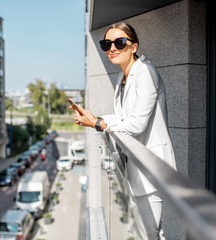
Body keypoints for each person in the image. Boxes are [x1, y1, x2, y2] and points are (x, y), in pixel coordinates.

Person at [71, 23, 176, 240]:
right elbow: (122, 118)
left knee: (151, 233)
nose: (112, 48)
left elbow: (137, 124)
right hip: (137, 168)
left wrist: (98, 125)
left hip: (151, 168)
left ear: (134, 46)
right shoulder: (123, 78)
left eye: (119, 42)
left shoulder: (145, 73)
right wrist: (94, 118)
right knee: (148, 231)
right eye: (106, 44)